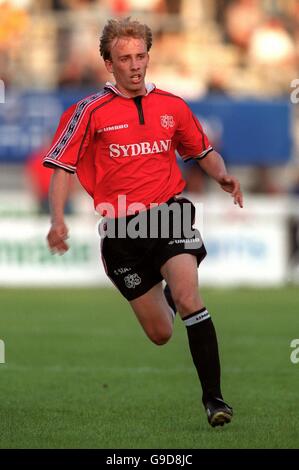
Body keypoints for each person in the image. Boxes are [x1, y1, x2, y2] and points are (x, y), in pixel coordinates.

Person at [43, 17, 243, 428]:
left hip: (169, 215)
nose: (135, 65)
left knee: (190, 298)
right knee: (160, 334)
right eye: (124, 58)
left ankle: (215, 400)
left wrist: (221, 174)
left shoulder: (172, 105)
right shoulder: (88, 112)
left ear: (148, 56)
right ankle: (165, 296)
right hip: (121, 231)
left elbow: (203, 151)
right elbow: (61, 167)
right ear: (108, 63)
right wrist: (57, 220)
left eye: (140, 56)